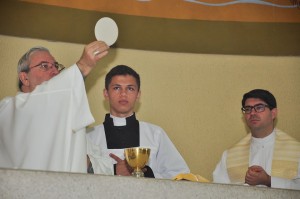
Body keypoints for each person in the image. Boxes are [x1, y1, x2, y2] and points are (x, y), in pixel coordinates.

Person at [0, 41, 109, 173]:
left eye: (56, 66)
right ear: (24, 78)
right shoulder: (8, 110)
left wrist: (87, 163)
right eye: (44, 66)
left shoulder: (69, 118)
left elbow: (103, 167)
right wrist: (82, 66)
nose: (55, 71)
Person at [86, 65, 190, 178]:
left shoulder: (155, 134)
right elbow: (77, 176)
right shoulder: (89, 136)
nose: (123, 94)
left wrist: (146, 174)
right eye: (117, 88)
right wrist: (114, 170)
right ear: (106, 93)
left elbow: (180, 176)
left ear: (138, 95)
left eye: (130, 88)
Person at [213, 89, 300, 190]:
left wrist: (269, 181)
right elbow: (218, 191)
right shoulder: (229, 156)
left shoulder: (296, 151)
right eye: (248, 109)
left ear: (273, 113)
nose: (252, 113)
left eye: (259, 107)